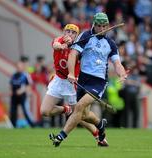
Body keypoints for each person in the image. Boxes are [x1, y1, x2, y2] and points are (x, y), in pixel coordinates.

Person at [52, 12, 127, 147]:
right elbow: (73, 55)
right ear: (94, 25)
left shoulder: (111, 44)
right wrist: (70, 73)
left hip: (98, 82)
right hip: (82, 79)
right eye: (99, 26)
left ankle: (60, 136)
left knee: (79, 107)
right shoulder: (86, 36)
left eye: (105, 26)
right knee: (85, 115)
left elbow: (117, 63)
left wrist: (122, 74)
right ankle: (100, 124)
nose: (103, 29)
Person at [40, 24, 108, 146]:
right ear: (63, 32)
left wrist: (71, 47)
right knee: (45, 111)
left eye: (73, 32)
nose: (69, 34)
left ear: (77, 36)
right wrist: (63, 46)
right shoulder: (58, 40)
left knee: (82, 115)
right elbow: (56, 46)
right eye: (68, 31)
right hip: (59, 79)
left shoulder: (79, 47)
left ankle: (98, 135)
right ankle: (66, 109)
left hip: (73, 82)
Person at [10, 57, 35, 128]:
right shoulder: (14, 75)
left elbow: (28, 85)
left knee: (25, 110)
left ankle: (32, 124)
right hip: (14, 96)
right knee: (13, 111)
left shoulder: (25, 75)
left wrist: (22, 91)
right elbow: (11, 84)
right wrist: (12, 92)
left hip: (22, 96)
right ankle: (13, 125)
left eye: (20, 66)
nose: (18, 68)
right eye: (17, 66)